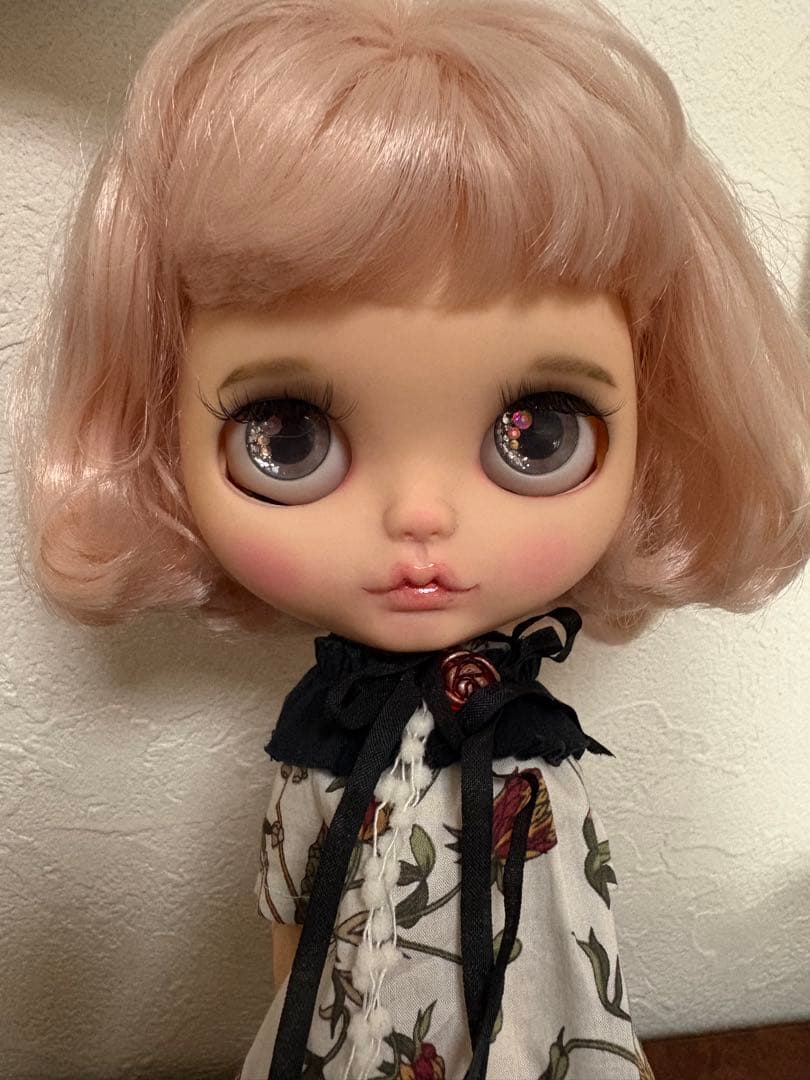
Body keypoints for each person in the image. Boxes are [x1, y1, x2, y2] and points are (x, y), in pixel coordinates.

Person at [11, 1, 809, 1077]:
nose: (419, 517)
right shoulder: (319, 744)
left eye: (538, 434)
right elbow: (295, 933)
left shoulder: (531, 751)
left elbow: (573, 947)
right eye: (286, 437)